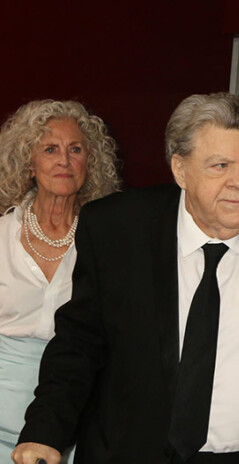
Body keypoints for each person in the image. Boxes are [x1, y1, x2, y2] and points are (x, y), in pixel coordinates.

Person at [11, 93, 239, 464]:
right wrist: (44, 433)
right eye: (220, 166)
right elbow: (79, 343)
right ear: (180, 170)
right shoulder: (115, 229)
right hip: (134, 453)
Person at [0, 99, 120, 463]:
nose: (64, 161)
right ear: (29, 163)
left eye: (75, 149)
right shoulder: (2, 236)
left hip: (76, 417)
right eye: (50, 149)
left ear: (90, 162)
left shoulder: (111, 243)